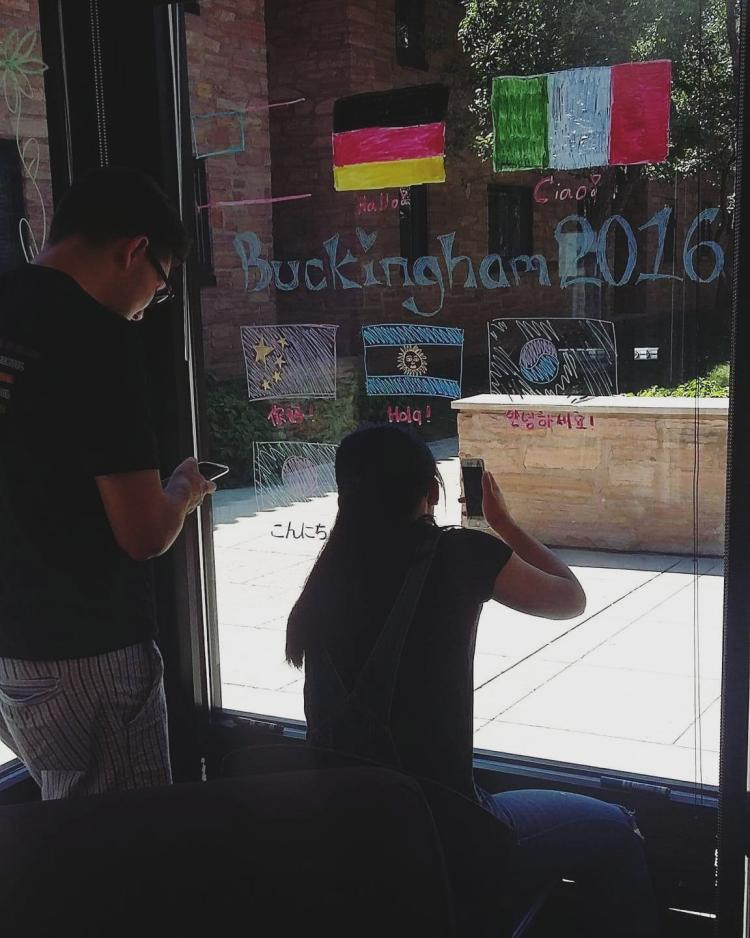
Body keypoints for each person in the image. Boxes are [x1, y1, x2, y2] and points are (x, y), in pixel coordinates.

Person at [286, 424, 659, 936]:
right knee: (620, 827)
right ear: (431, 491)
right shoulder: (458, 554)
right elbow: (569, 598)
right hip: (446, 834)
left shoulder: (330, 572)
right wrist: (503, 523)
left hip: (348, 836)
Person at [0, 167, 216, 800]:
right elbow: (144, 533)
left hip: (13, 642)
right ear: (133, 250)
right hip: (87, 648)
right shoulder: (98, 340)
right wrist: (183, 490)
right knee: (124, 854)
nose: (151, 303)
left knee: (65, 821)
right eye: (161, 284)